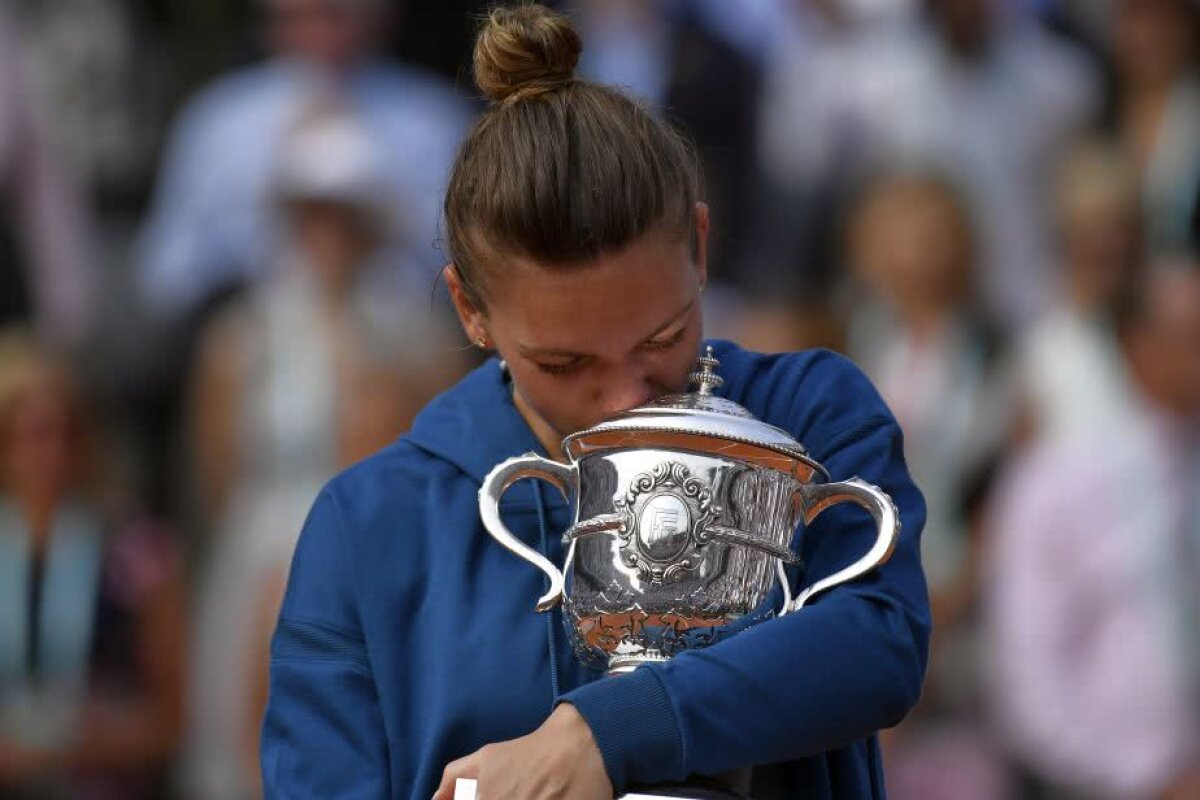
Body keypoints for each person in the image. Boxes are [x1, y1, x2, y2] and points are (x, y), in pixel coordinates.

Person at [261, 6, 930, 799]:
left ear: (702, 246)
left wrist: (609, 731)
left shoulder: (810, 412)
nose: (621, 395)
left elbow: (878, 643)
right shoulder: (370, 522)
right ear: (469, 310)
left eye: (662, 338)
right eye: (564, 362)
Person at [183, 104, 465, 800]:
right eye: (312, 212)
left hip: (375, 546)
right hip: (260, 545)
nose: (326, 232)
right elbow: (217, 472)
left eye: (341, 213)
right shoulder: (240, 333)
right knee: (246, 735)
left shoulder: (414, 333)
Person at [984, 263, 1200, 799]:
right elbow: (1029, 680)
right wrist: (1148, 780)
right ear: (1136, 344)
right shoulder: (1060, 479)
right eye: (1192, 337)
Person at [0, 330, 186, 799]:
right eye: (31, 436)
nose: (51, 454)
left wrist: (61, 746)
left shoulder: (136, 550)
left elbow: (171, 717)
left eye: (68, 432)